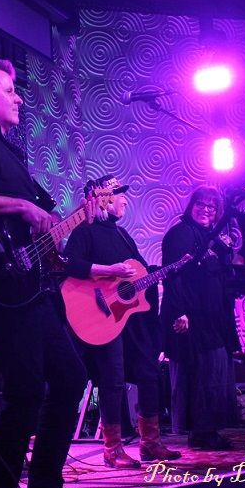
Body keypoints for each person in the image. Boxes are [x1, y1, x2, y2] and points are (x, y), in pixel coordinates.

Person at [0, 60, 90, 488]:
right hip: (6, 290)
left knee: (69, 378)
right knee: (25, 392)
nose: (19, 98)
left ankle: (45, 480)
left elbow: (21, 223)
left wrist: (52, 230)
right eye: (9, 90)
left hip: (30, 287)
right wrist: (24, 206)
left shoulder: (4, 148)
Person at [63, 175, 181, 468]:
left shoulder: (122, 234)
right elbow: (69, 264)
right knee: (112, 380)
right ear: (101, 199)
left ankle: (150, 443)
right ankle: (112, 449)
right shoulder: (85, 231)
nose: (124, 199)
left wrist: (162, 271)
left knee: (149, 373)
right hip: (104, 318)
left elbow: (137, 274)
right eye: (118, 194)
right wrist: (109, 270)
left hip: (131, 320)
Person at [160, 186, 240, 450]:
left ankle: (207, 430)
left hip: (214, 317)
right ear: (191, 205)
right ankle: (202, 433)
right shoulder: (180, 234)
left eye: (211, 207)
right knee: (203, 373)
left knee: (214, 371)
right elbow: (173, 274)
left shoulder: (213, 237)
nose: (206, 210)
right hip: (192, 316)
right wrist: (179, 311)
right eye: (201, 204)